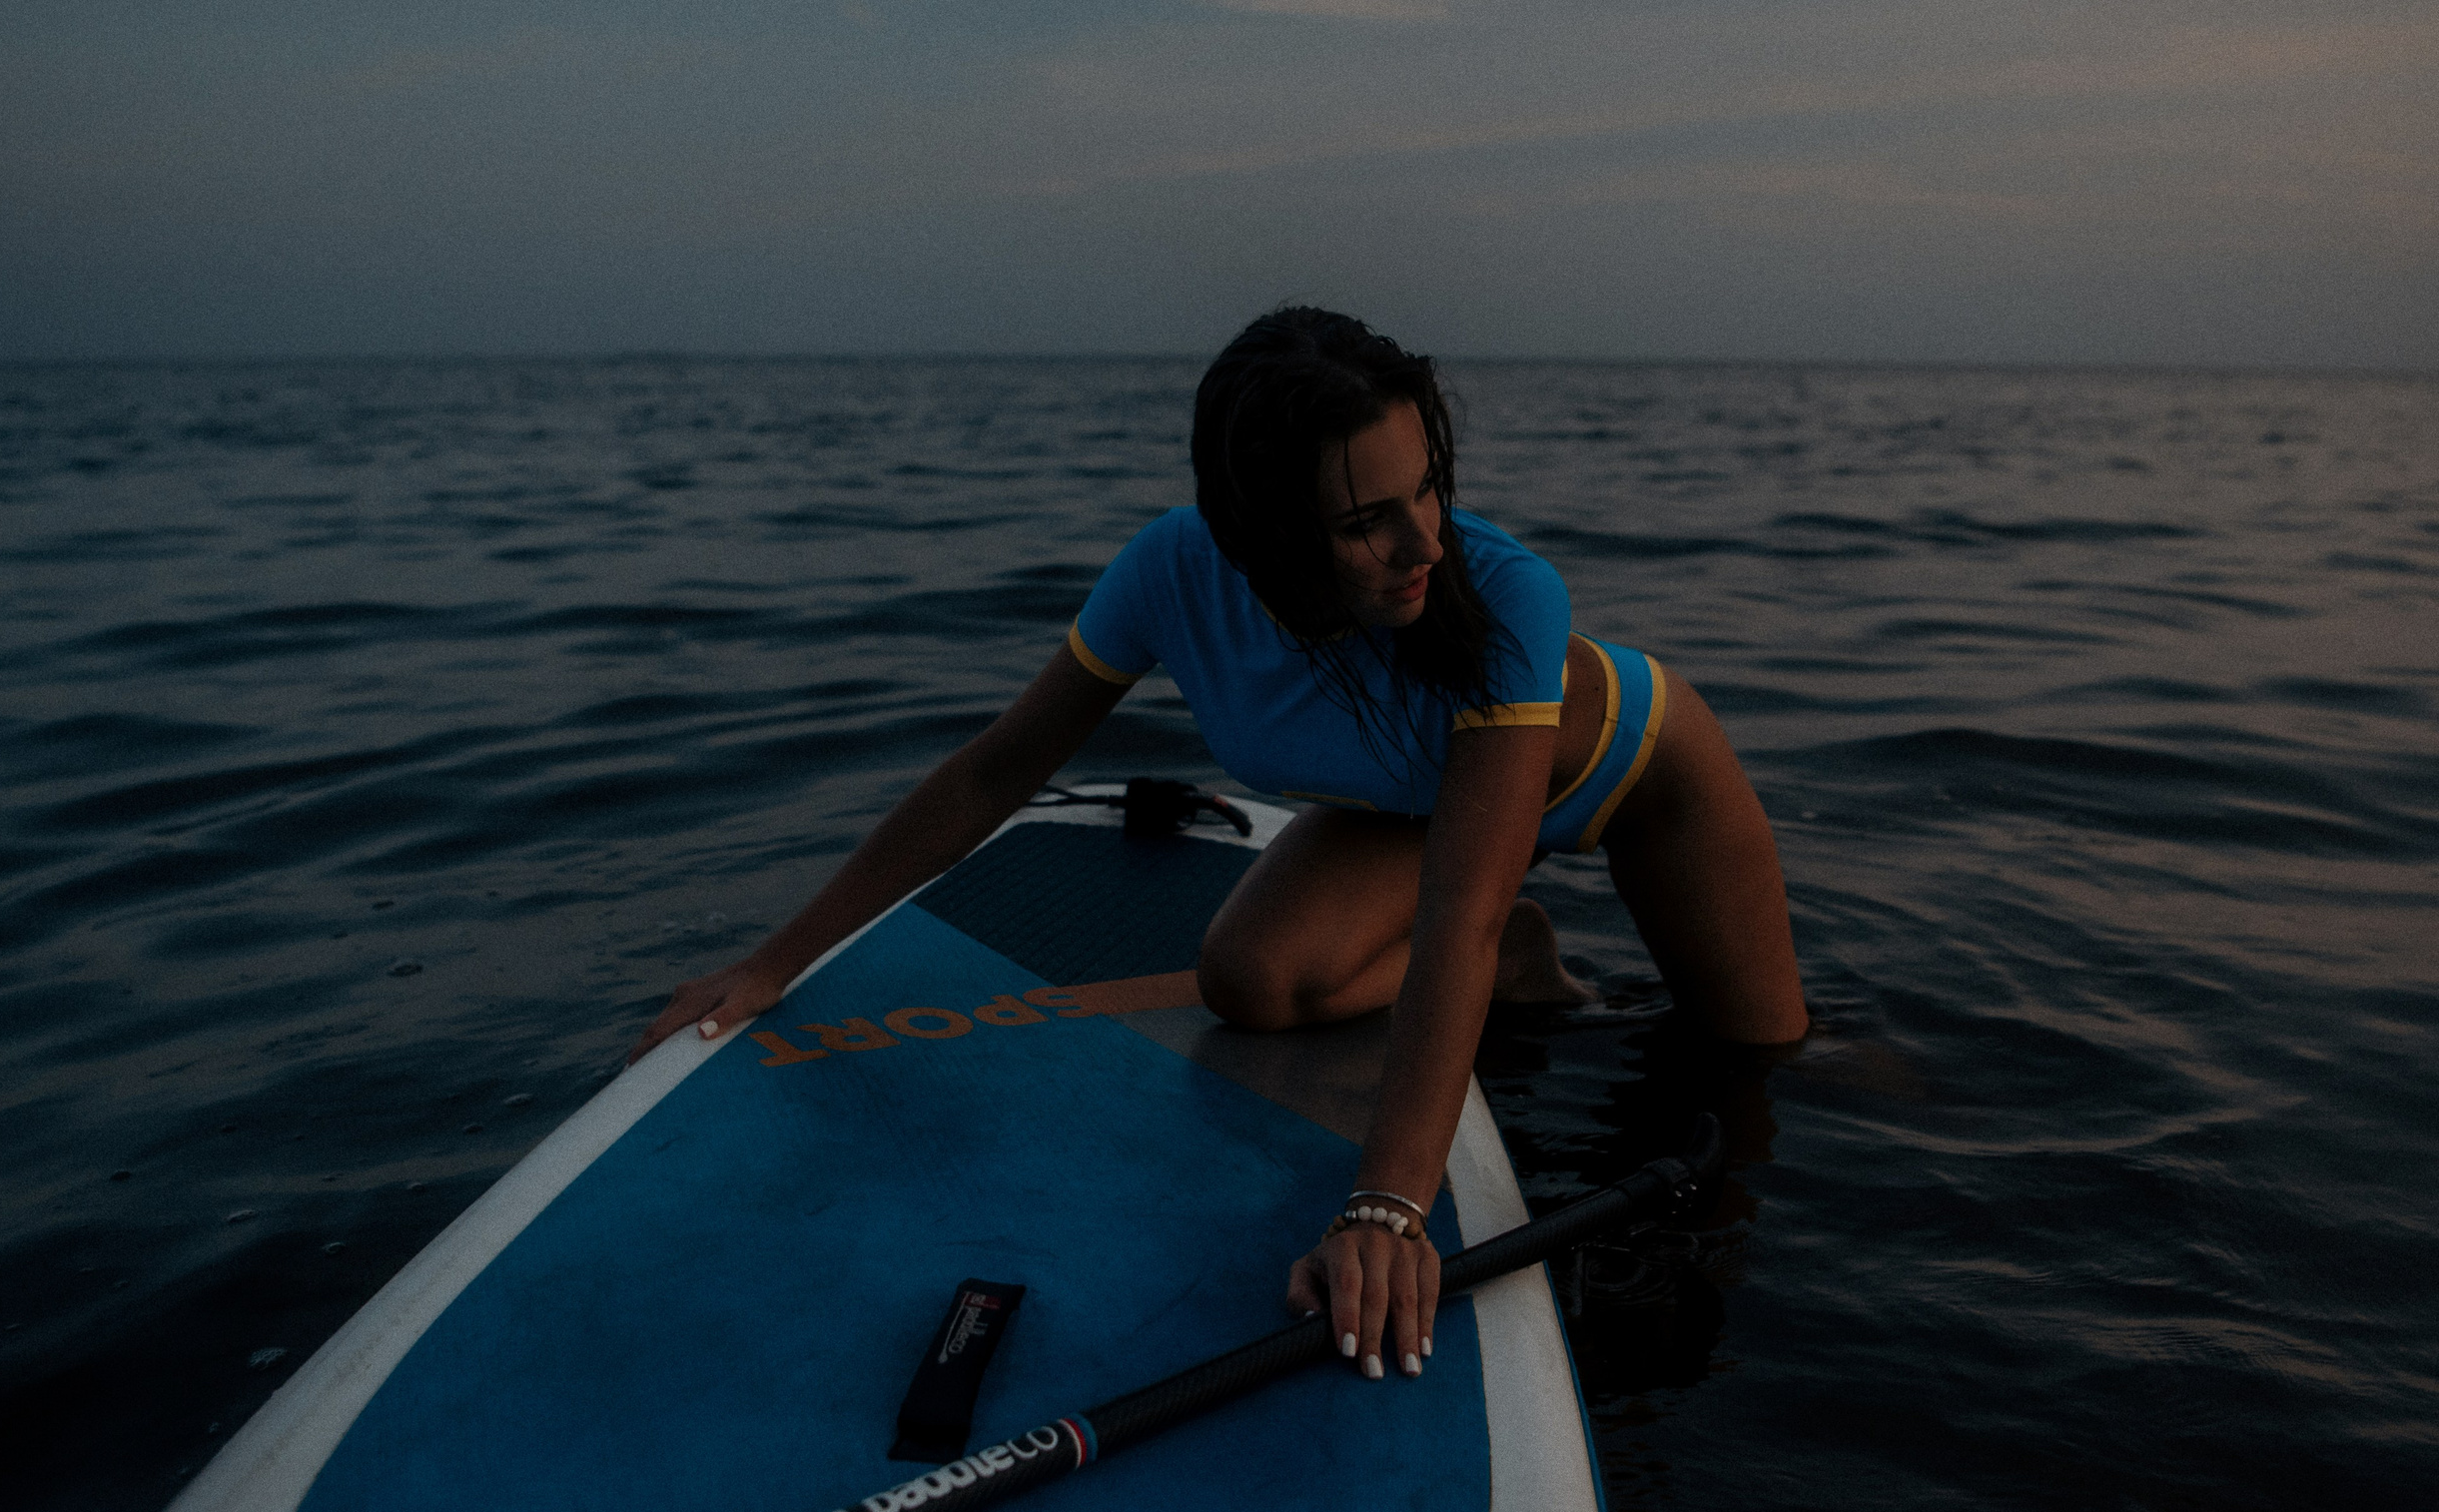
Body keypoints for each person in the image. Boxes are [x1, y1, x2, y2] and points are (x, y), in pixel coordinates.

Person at [633, 308, 1806, 1385]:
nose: (1422, 542)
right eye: (1365, 522)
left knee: (1752, 1063)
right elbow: (997, 767)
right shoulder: (1171, 572)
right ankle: (1528, 977)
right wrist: (777, 960)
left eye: (1427, 490)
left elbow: (1461, 907)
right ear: (1262, 531)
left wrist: (1384, 1206)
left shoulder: (1504, 598)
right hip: (1413, 804)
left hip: (1644, 780)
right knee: (1244, 978)